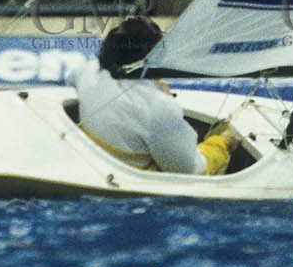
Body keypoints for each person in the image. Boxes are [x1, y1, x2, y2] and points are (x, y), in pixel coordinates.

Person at [67, 17, 243, 175]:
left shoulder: (86, 70)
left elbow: (72, 80)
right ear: (155, 55)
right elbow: (190, 170)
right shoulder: (159, 107)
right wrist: (223, 143)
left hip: (88, 168)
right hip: (133, 188)